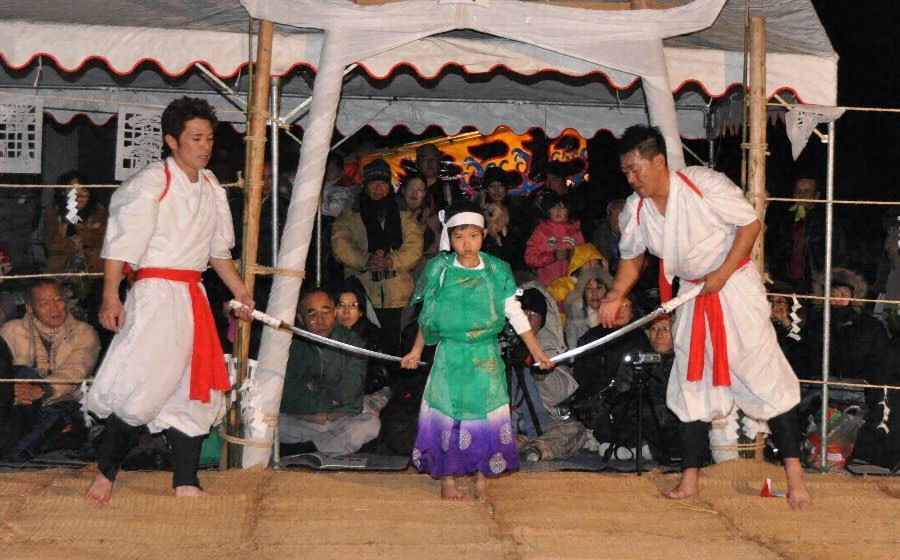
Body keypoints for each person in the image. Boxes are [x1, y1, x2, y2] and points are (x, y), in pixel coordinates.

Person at [599, 125, 811, 510]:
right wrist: (616, 294)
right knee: (691, 380)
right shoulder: (636, 209)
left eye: (635, 169)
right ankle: (690, 480)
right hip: (693, 294)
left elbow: (750, 225)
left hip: (735, 287)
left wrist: (723, 273)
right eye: (626, 171)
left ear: (658, 162)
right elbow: (632, 257)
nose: (631, 178)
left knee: (762, 373)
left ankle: (795, 478)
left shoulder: (702, 183)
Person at [84, 97, 254, 506]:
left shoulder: (211, 186)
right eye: (195, 138)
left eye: (209, 138)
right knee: (145, 380)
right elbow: (120, 246)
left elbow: (218, 253)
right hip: (155, 294)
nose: (205, 146)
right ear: (172, 141)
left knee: (194, 387)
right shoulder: (149, 183)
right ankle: (105, 473)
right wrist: (110, 297)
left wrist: (241, 292)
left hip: (192, 295)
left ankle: (185, 479)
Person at [400, 200, 553, 502]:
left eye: (473, 235)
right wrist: (416, 351)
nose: (466, 243)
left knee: (486, 418)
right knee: (447, 417)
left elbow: (514, 313)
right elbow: (428, 316)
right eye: (459, 237)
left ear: (484, 235)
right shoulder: (440, 270)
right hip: (450, 355)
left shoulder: (497, 270)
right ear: (450, 237)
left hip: (485, 355)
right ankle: (447, 478)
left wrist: (536, 351)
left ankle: (482, 479)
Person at [331, 158, 424, 356]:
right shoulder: (350, 214)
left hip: (398, 297)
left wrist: (392, 261)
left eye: (382, 183)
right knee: (364, 349)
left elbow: (415, 247)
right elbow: (340, 244)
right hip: (362, 294)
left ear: (389, 185)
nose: (378, 188)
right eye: (373, 183)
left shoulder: (403, 214)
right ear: (365, 185)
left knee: (396, 350)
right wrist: (365, 260)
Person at [0, 279, 100, 462]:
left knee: (22, 449)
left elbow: (75, 370)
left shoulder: (84, 333)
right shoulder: (11, 331)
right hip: (18, 404)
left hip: (63, 402)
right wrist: (8, 393)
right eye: (44, 303)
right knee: (22, 373)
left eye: (58, 300)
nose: (54, 308)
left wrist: (43, 390)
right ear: (30, 309)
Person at [279, 289, 381, 456]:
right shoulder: (292, 345)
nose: (320, 320)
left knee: (371, 423)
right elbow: (288, 395)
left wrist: (314, 389)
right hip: (304, 420)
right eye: (312, 314)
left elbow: (348, 393)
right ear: (301, 318)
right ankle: (329, 446)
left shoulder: (352, 343)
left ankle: (309, 448)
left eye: (325, 312)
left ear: (333, 313)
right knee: (271, 422)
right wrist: (318, 411)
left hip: (339, 421)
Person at [512, 285, 586, 462]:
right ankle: (523, 445)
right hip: (509, 422)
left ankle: (535, 448)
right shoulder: (501, 346)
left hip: (543, 422)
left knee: (575, 430)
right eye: (524, 313)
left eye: (534, 315)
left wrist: (540, 374)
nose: (528, 319)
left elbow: (559, 395)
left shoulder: (551, 350)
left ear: (542, 321)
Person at [42, 172, 108, 274]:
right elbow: (52, 243)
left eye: (83, 190)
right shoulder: (53, 211)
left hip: (93, 269)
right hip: (61, 270)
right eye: (73, 190)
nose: (79, 196)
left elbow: (102, 240)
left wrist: (78, 231)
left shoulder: (98, 210)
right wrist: (80, 240)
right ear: (63, 192)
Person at [524, 193, 584, 286]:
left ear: (568, 211)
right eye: (554, 207)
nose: (558, 211)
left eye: (563, 208)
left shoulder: (575, 231)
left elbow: (584, 257)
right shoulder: (540, 232)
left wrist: (570, 255)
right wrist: (552, 256)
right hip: (547, 286)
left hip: (572, 286)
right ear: (548, 210)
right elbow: (530, 258)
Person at [563, 266, 614, 348]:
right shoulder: (574, 321)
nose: (594, 293)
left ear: (608, 291)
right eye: (589, 288)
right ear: (583, 293)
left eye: (599, 288)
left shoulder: (619, 313)